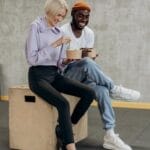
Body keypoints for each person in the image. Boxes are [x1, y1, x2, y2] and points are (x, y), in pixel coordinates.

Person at [61, 0, 141, 150]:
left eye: (86, 16)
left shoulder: (89, 33)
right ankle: (114, 89)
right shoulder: (63, 31)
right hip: (65, 76)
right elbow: (57, 61)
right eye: (80, 16)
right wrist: (79, 58)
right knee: (87, 63)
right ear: (73, 14)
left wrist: (91, 57)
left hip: (83, 76)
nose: (83, 19)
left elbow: (88, 59)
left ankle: (110, 135)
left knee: (102, 91)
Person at [25, 0, 96, 150]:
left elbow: (59, 63)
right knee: (63, 103)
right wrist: (56, 44)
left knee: (89, 92)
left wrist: (67, 60)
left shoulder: (60, 31)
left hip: (54, 74)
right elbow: (32, 59)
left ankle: (64, 130)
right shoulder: (36, 27)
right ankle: (70, 146)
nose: (59, 19)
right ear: (50, 11)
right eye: (58, 15)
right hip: (38, 76)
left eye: (62, 17)